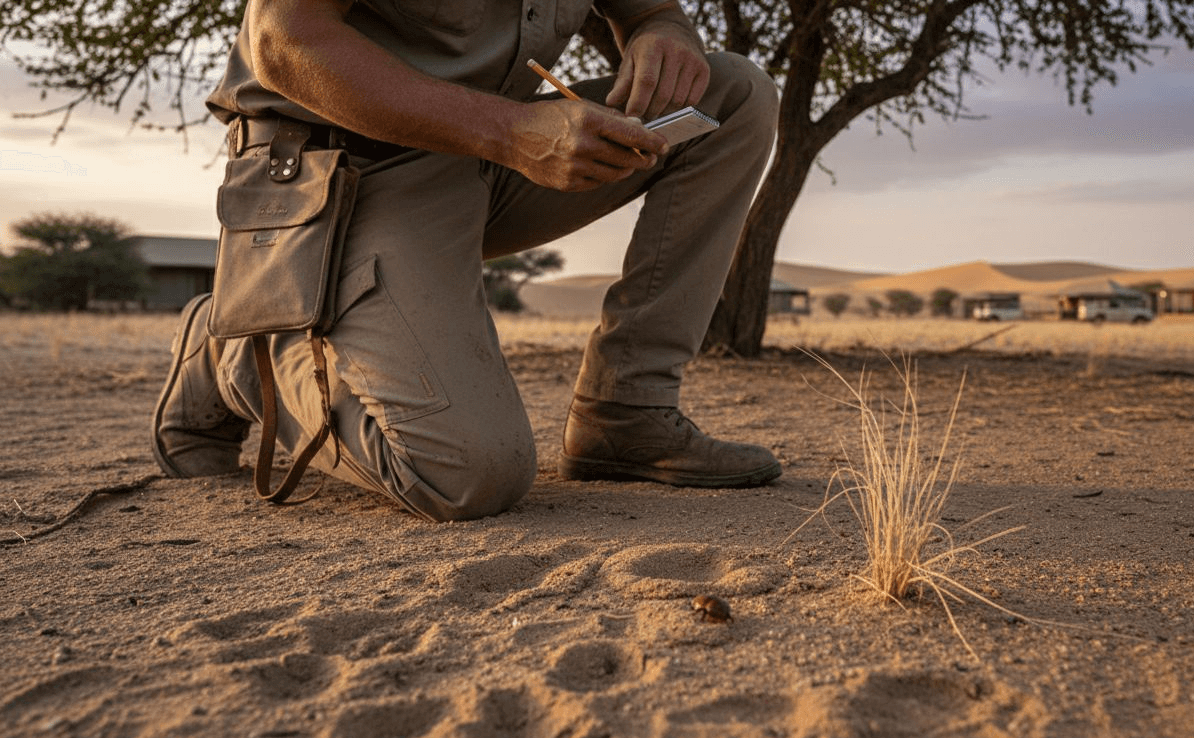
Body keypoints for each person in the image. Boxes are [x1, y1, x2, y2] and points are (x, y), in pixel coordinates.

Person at [152, 0, 782, 522]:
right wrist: (511, 132)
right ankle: (232, 353)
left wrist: (664, 34)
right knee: (465, 474)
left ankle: (627, 410)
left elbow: (652, 11)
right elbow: (287, 41)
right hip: (344, 167)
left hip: (495, 156)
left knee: (735, 94)